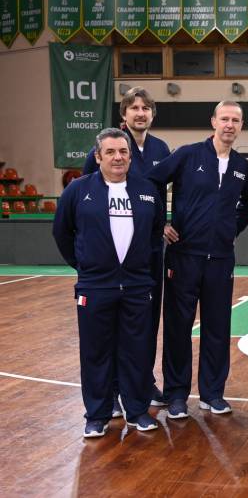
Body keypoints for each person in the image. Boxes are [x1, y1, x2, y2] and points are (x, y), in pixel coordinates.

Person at [148, 101, 248, 419]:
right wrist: (162, 223)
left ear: (241, 126)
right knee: (178, 328)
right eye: (224, 118)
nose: (229, 125)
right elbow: (152, 181)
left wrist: (232, 229)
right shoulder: (187, 155)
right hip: (183, 257)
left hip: (221, 259)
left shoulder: (240, 165)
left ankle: (212, 394)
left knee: (217, 329)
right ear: (213, 121)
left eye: (235, 120)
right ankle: (177, 394)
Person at [54, 128, 164, 437]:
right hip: (95, 287)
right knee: (95, 352)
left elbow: (155, 234)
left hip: (137, 286)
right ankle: (97, 414)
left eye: (123, 152)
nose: (118, 157)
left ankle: (138, 410)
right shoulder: (78, 191)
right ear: (98, 156)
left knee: (137, 350)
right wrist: (86, 266)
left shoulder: (146, 190)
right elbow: (62, 233)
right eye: (111, 152)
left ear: (130, 156)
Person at [82, 87, 170, 411]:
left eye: (145, 107)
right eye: (133, 107)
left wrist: (166, 224)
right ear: (124, 114)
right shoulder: (111, 145)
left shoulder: (161, 148)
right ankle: (115, 389)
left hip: (149, 252)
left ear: (152, 114)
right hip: (114, 255)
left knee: (145, 322)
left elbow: (161, 197)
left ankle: (142, 381)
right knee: (114, 327)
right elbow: (84, 194)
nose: (140, 112)